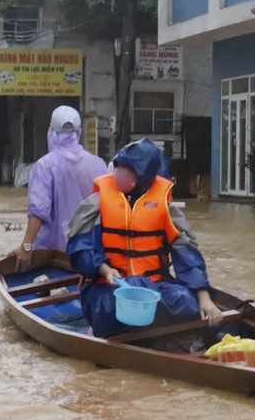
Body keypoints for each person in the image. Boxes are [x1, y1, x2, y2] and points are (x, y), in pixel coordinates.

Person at [65, 138, 222, 337]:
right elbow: (79, 248)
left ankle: (159, 336)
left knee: (186, 302)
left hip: (155, 287)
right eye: (120, 166)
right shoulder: (97, 202)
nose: (121, 173)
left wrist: (204, 297)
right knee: (132, 291)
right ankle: (100, 331)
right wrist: (105, 270)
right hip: (107, 290)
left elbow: (188, 254)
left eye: (128, 168)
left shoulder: (164, 206)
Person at [9, 106, 108, 271]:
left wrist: (26, 247)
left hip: (54, 254)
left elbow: (38, 211)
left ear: (51, 133)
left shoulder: (44, 166)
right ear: (78, 133)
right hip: (92, 254)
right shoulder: (98, 164)